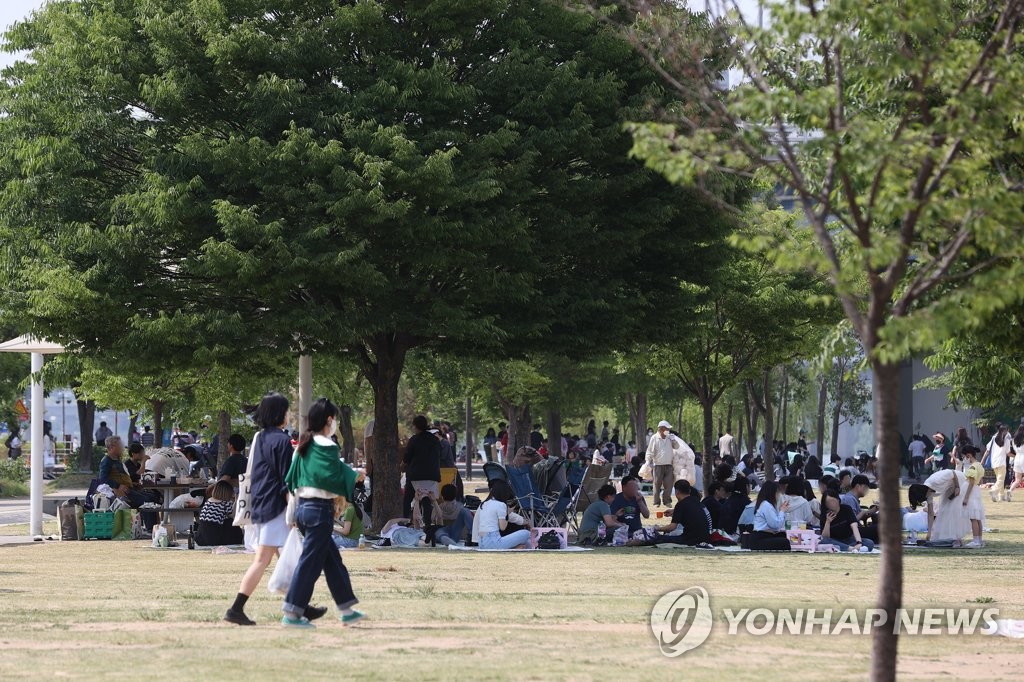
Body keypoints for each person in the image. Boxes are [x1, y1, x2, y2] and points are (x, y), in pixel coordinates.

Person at [226, 392, 317, 627]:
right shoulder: (282, 441)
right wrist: (293, 511)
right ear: (280, 414)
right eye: (286, 411)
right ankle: (237, 608)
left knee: (284, 560)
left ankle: (299, 606)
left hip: (263, 504)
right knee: (265, 560)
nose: (288, 416)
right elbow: (288, 480)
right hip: (275, 508)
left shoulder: (261, 437)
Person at [280, 398, 362, 628]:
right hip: (319, 512)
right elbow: (331, 476)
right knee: (310, 564)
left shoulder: (302, 446)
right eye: (334, 418)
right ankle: (292, 613)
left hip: (305, 511)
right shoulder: (327, 446)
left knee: (332, 561)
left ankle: (346, 609)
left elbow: (292, 484)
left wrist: (291, 516)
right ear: (329, 420)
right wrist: (355, 475)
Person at [915, 470, 972, 546]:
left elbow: (952, 473)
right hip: (948, 487)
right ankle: (949, 537)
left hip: (958, 481)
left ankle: (957, 538)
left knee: (953, 509)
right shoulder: (927, 494)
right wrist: (929, 532)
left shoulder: (935, 481)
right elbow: (930, 513)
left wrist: (957, 487)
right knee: (944, 510)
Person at [402, 415, 441, 528]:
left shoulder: (414, 439)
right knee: (427, 499)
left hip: (416, 475)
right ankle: (427, 524)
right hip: (432, 475)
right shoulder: (435, 440)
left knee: (407, 499)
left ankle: (406, 522)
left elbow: (407, 457)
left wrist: (401, 466)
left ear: (415, 426)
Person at [648, 480, 710, 546]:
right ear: (689, 491)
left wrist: (657, 528)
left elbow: (672, 527)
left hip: (690, 539)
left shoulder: (681, 504)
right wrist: (674, 512)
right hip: (705, 538)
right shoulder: (696, 501)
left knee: (658, 538)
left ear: (677, 491)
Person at [477, 479, 531, 549]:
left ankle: (515, 548)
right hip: (492, 541)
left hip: (481, 543)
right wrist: (507, 513)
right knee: (526, 533)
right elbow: (502, 527)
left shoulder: (484, 503)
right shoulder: (501, 504)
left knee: (522, 541)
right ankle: (515, 548)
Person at [645, 420, 689, 507]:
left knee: (668, 484)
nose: (668, 430)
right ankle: (656, 502)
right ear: (661, 429)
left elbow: (677, 447)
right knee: (657, 484)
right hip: (658, 465)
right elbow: (650, 451)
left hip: (669, 465)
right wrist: (647, 461)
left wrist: (674, 440)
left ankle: (667, 501)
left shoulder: (670, 437)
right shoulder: (654, 438)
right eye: (666, 428)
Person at [196, 481, 245, 546]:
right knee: (230, 522)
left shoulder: (208, 501)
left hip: (201, 538)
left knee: (226, 519)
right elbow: (233, 515)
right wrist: (236, 500)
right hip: (214, 539)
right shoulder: (224, 503)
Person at [748, 481, 790, 550]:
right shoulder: (766, 505)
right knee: (785, 542)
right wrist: (782, 511)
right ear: (772, 493)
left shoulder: (766, 504)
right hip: (760, 538)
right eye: (777, 492)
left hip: (764, 535)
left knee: (783, 535)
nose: (778, 495)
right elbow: (775, 525)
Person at [958, 445, 986, 547]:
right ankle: (979, 540)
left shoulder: (973, 466)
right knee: (977, 518)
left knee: (973, 518)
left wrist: (966, 497)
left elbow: (971, 483)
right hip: (976, 492)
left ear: (969, 455)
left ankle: (975, 540)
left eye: (964, 457)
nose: (964, 459)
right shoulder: (979, 465)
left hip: (971, 492)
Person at [841, 474, 878, 542]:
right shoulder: (849, 499)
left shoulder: (853, 498)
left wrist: (876, 508)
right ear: (858, 486)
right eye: (865, 487)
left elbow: (861, 516)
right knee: (879, 528)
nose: (866, 490)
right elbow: (853, 520)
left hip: (857, 530)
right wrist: (863, 512)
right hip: (852, 532)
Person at [985, 424, 1012, 502]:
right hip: (1001, 462)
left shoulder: (993, 438)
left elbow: (988, 448)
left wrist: (983, 460)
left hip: (994, 462)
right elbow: (1008, 453)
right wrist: (1016, 455)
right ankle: (994, 490)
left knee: (999, 479)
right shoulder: (1006, 440)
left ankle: (1001, 496)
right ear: (1005, 431)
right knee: (1000, 479)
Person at [1010, 425, 1024, 499]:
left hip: (1017, 458)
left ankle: (1010, 491)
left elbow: (1014, 450)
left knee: (1017, 480)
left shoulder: (1014, 439)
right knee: (1019, 480)